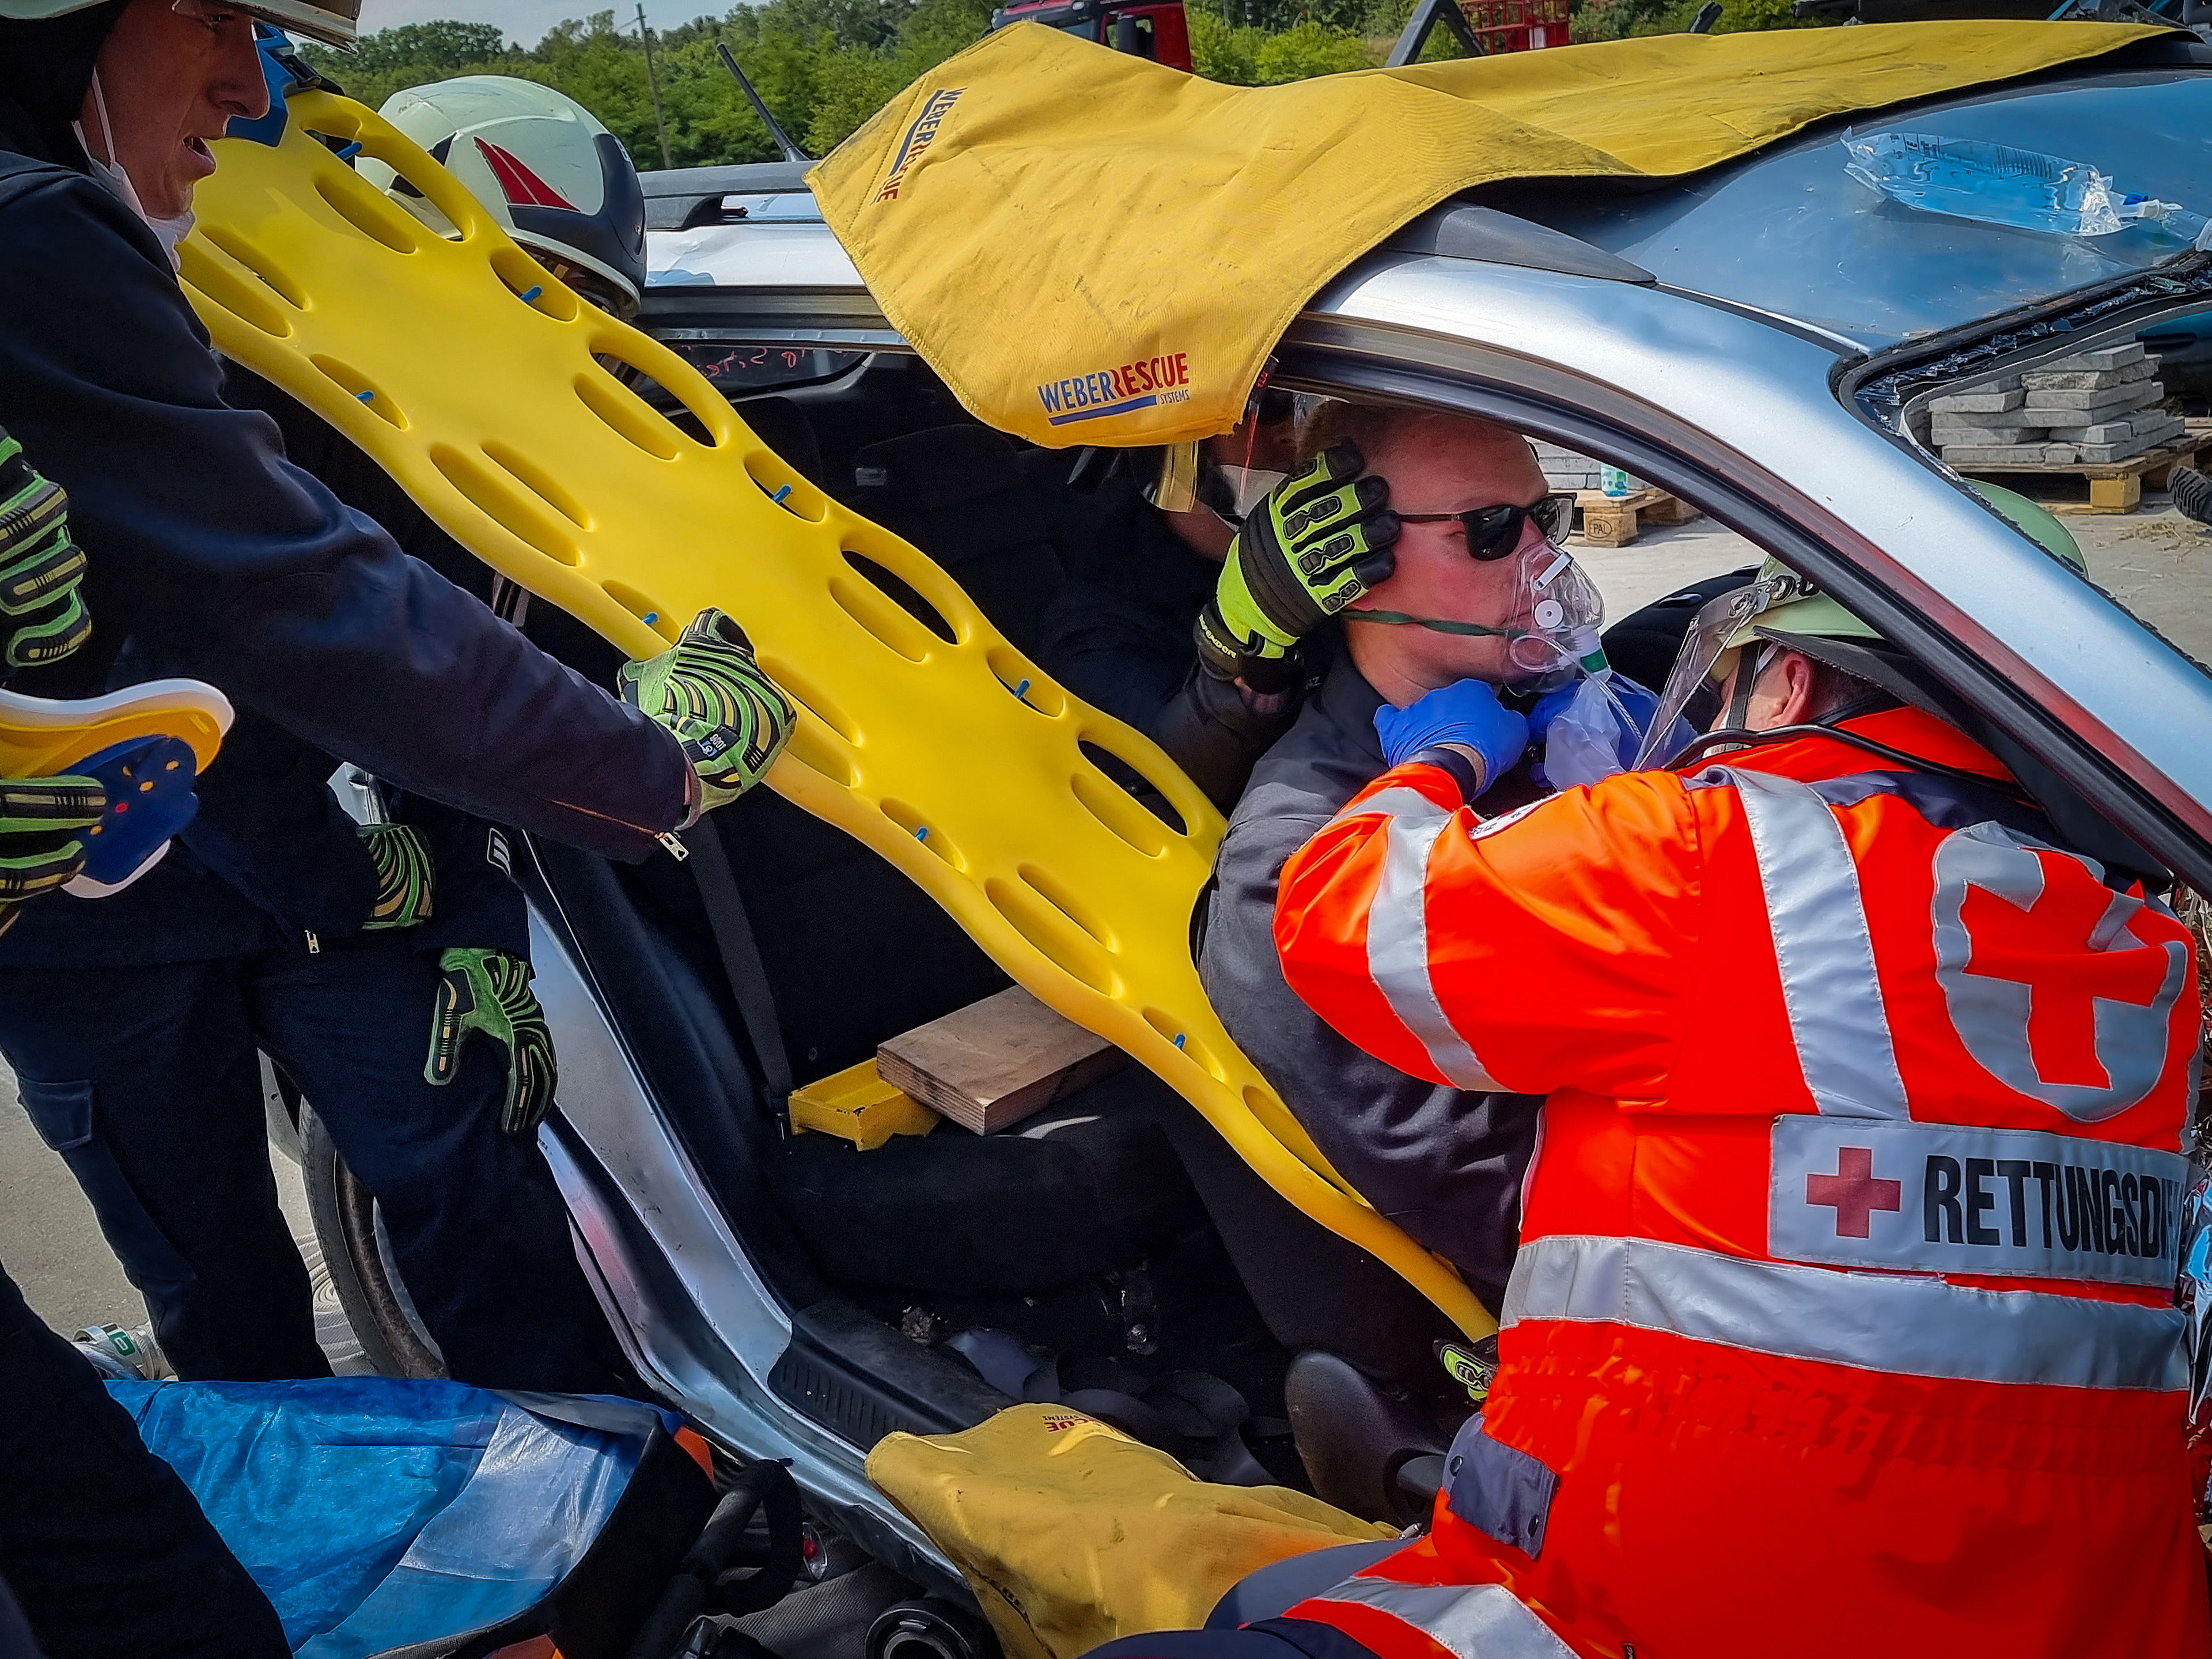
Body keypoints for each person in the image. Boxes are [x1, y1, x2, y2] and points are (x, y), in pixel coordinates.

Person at [0, 0, 796, 1391]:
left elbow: (435, 654)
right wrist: (657, 769)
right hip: (119, 921)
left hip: (350, 893)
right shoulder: (88, 266)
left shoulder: (547, 461)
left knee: (482, 1220)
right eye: (212, 16)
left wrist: (467, 900)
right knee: (221, 1305)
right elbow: (295, 608)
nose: (248, 84)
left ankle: (589, 1554)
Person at [1263, 525, 2209, 1653]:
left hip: (1661, 1606)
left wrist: (1434, 762)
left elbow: (1342, 921)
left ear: (1792, 676)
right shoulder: (2149, 959)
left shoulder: (1718, 856)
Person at [1197, 406, 1605, 1321]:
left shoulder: (1574, 711)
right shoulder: (1299, 862)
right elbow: (1497, 1199)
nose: (1547, 562)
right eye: (1492, 530)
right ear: (1351, 572)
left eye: (1552, 519)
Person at [1037, 396, 1316, 810]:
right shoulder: (1097, 629)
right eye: (1272, 407)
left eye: (1313, 408)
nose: (1299, 434)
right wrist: (1251, 651)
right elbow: (1174, 778)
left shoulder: (1359, 549)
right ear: (1178, 442)